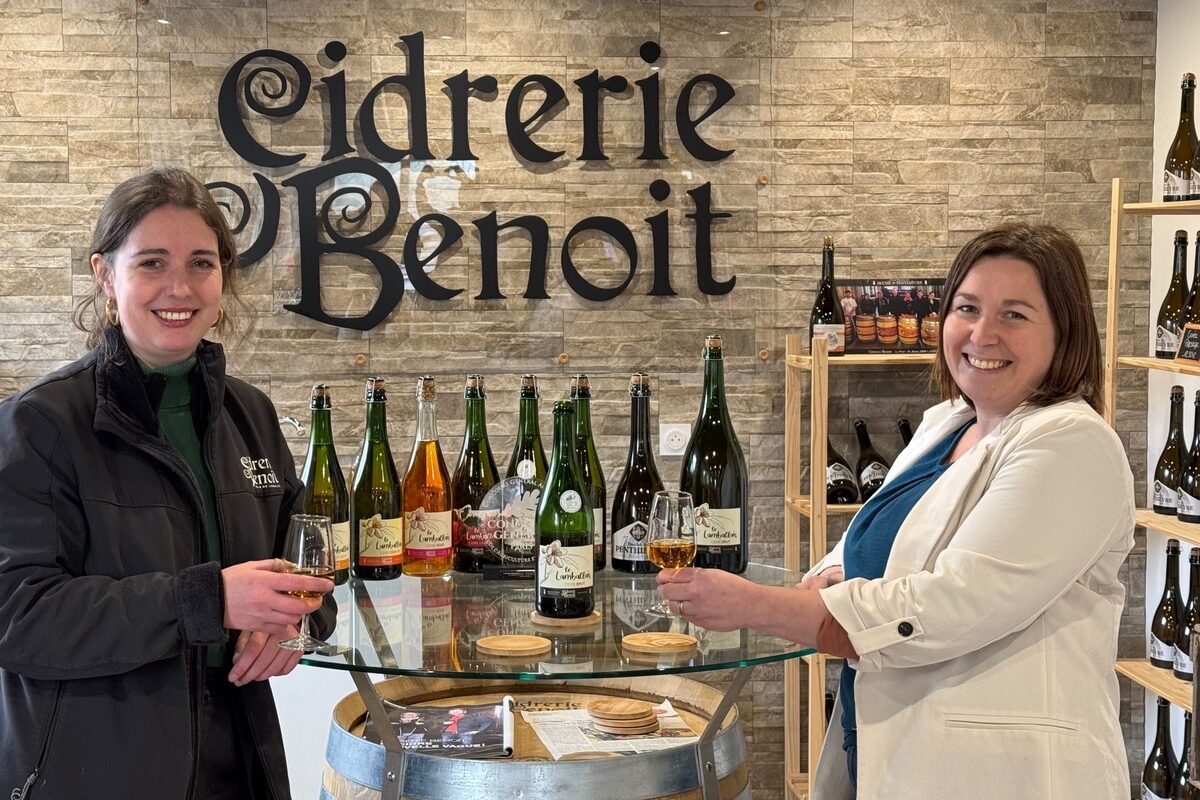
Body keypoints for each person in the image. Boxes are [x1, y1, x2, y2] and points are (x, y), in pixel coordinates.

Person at [659, 222, 1133, 799]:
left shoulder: (1071, 445)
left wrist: (751, 605)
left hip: (1001, 774)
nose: (982, 334)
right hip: (889, 753)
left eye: (1015, 314)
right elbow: (874, 542)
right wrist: (834, 571)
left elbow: (950, 605)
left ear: (1065, 332)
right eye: (967, 308)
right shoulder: (946, 424)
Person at [0, 167, 336, 800]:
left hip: (241, 762)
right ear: (105, 274)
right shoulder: (40, 424)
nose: (179, 287)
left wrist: (292, 623)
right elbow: (17, 616)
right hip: (95, 770)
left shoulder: (252, 415)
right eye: (151, 262)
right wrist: (208, 601)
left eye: (201, 264)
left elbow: (312, 574)